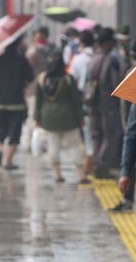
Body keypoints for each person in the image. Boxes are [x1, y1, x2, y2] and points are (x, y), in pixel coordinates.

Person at [0, 36, 35, 169]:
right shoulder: (22, 60)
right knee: (15, 133)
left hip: (0, 101)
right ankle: (7, 161)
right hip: (17, 102)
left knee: (1, 130)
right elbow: (31, 77)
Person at [111, 38, 136, 212]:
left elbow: (124, 105)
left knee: (135, 164)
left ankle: (130, 199)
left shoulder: (132, 73)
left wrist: (126, 125)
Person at [34, 52, 86, 183]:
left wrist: (37, 118)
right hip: (68, 118)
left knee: (53, 145)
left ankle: (57, 174)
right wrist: (80, 117)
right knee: (74, 145)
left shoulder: (42, 79)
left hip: (48, 118)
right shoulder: (68, 79)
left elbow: (38, 101)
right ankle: (81, 175)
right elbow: (76, 100)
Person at [86, 27, 126, 179]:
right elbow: (117, 83)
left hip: (92, 103)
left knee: (96, 134)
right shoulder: (112, 60)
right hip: (107, 103)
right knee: (111, 134)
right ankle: (101, 165)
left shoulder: (92, 59)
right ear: (108, 43)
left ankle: (97, 160)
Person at [68, 30, 96, 182]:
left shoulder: (77, 59)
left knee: (87, 135)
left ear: (82, 43)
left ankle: (89, 165)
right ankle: (93, 164)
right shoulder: (101, 57)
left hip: (84, 103)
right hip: (104, 104)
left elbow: (73, 81)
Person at [25, 27, 56, 152]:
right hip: (33, 89)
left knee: (45, 116)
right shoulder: (31, 52)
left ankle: (42, 142)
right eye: (38, 38)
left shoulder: (51, 50)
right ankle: (30, 142)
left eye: (43, 38)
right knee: (32, 115)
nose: (40, 40)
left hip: (46, 88)